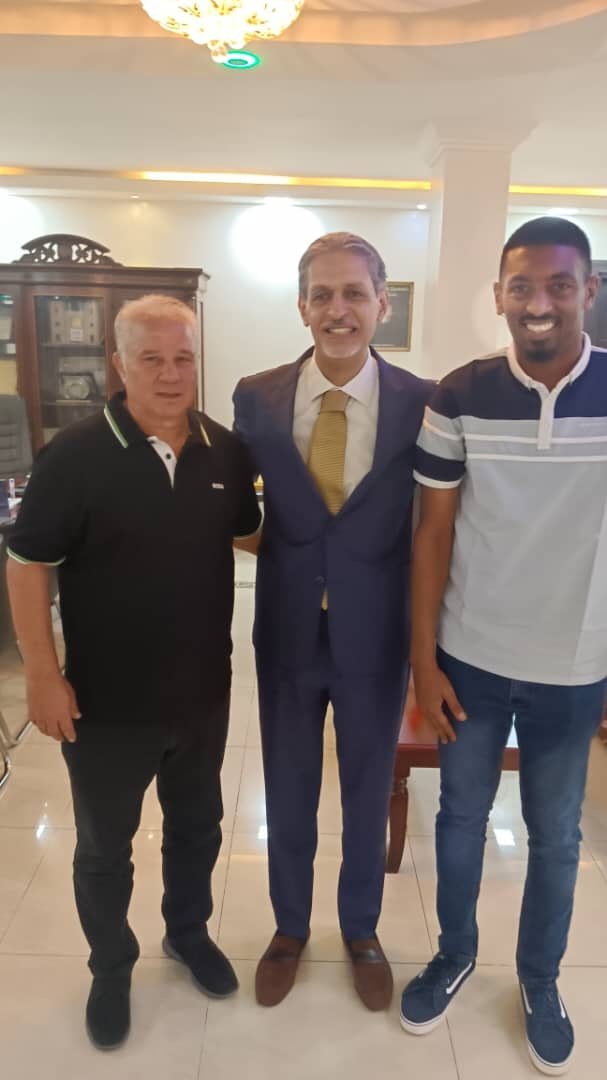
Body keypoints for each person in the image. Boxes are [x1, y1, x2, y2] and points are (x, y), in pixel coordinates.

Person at [6, 295, 261, 1050]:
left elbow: (249, 535)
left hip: (201, 693)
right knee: (104, 847)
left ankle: (187, 934)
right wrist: (42, 676)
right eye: (152, 358)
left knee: (198, 828)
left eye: (183, 358)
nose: (171, 373)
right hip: (105, 702)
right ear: (118, 364)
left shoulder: (223, 449)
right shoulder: (74, 454)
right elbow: (27, 564)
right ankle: (111, 966)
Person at [400, 217, 607, 1075]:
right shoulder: (459, 393)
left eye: (558, 284)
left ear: (588, 290)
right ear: (497, 296)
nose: (538, 302)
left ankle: (539, 979)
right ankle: (453, 954)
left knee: (555, 836)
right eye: (520, 286)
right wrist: (422, 661)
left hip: (575, 666)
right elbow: (432, 533)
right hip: (471, 659)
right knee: (458, 819)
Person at [233, 232, 432, 1011]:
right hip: (286, 628)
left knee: (365, 788)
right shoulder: (256, 396)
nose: (337, 310)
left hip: (376, 634)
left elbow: (435, 522)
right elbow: (236, 506)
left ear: (382, 304)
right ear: (301, 306)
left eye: (354, 293)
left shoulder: (422, 401)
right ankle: (289, 928)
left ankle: (360, 929)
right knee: (287, 786)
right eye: (322, 294)